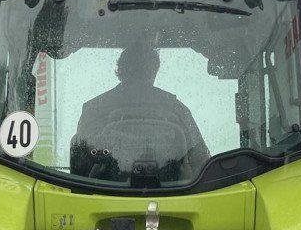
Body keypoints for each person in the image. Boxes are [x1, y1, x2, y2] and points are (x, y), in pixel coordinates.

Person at [71, 45, 210, 181]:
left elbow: (80, 165)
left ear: (120, 70)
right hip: (174, 192)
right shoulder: (176, 108)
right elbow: (201, 160)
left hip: (103, 193)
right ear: (154, 71)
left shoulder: (93, 109)